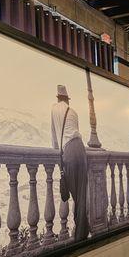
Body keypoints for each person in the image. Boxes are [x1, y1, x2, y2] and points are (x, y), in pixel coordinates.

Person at [50, 85, 89, 242]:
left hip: (69, 153)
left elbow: (54, 136)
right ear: (67, 98)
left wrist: (56, 151)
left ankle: (79, 235)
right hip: (80, 148)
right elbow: (76, 131)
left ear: (58, 97)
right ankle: (82, 233)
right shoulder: (73, 112)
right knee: (81, 195)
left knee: (74, 194)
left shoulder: (54, 109)